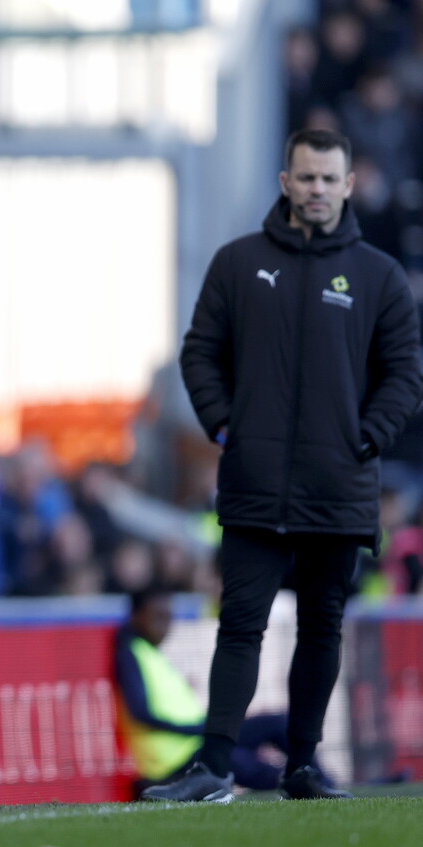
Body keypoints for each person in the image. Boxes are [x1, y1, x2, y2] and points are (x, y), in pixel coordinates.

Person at [145, 129, 422, 803]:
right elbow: (199, 352)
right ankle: (214, 768)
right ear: (285, 181)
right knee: (240, 625)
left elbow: (405, 374)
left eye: (329, 178)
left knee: (322, 628)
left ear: (348, 186)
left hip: (338, 485)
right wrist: (223, 424)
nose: (317, 189)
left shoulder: (379, 276)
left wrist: (367, 438)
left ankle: (303, 766)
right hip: (255, 482)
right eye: (306, 177)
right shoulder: (238, 263)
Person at [115, 587, 324, 800]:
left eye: (169, 618)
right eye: (157, 617)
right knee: (247, 764)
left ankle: (320, 781)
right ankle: (303, 785)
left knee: (278, 723)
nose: (165, 626)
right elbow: (141, 713)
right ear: (137, 616)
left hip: (199, 739)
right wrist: (196, 729)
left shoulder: (151, 653)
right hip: (178, 756)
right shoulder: (130, 654)